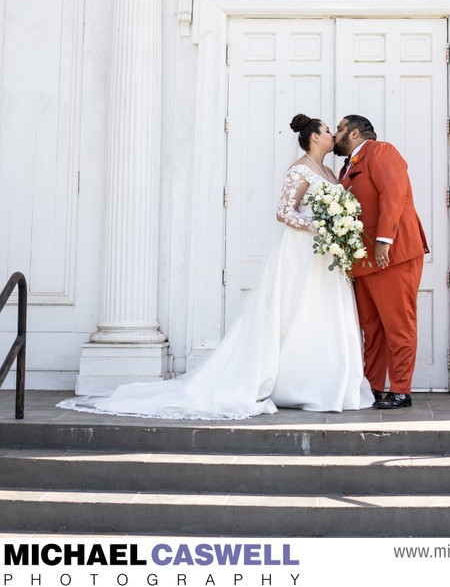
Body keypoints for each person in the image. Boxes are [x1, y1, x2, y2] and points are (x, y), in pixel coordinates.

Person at [58, 115, 373, 419]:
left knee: (321, 314)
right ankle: (293, 384)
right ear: (315, 137)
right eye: (329, 130)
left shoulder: (330, 172)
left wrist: (337, 227)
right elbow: (284, 212)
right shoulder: (300, 169)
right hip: (301, 253)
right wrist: (321, 225)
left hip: (323, 257)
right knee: (297, 311)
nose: (334, 135)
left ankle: (322, 380)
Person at [334, 115, 429, 410]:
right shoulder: (347, 167)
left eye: (338, 129)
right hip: (362, 261)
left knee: (398, 325)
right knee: (371, 328)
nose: (334, 135)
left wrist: (384, 241)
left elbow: (394, 194)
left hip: (391, 255)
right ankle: (373, 386)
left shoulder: (381, 151)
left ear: (354, 133)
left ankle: (401, 389)